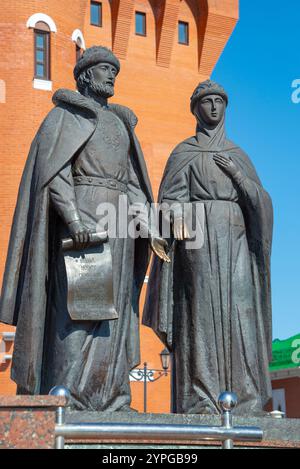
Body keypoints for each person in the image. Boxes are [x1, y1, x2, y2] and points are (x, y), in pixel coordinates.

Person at [0, 46, 168, 411]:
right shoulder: (64, 117)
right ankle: (68, 394)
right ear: (85, 75)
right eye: (105, 69)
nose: (112, 76)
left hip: (120, 225)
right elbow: (55, 173)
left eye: (115, 71)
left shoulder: (122, 124)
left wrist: (148, 226)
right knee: (78, 311)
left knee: (117, 309)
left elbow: (135, 183)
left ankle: (112, 396)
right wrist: (74, 218)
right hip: (85, 220)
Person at [143, 80, 273, 415]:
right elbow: (168, 202)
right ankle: (200, 397)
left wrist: (239, 178)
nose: (214, 107)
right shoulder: (184, 152)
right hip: (197, 245)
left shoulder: (237, 155)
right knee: (200, 316)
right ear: (195, 109)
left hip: (237, 243)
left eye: (219, 102)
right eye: (206, 101)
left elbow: (262, 204)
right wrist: (182, 221)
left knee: (241, 313)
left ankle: (246, 397)